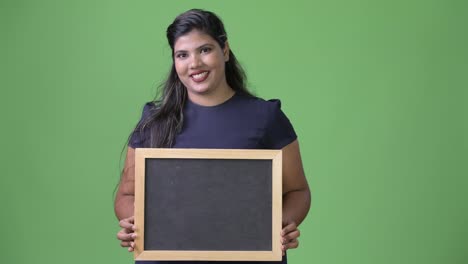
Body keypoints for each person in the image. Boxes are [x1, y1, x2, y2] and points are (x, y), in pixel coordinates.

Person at [114, 9, 311, 264]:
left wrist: (282, 226)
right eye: (182, 55)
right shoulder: (154, 120)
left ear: (225, 50)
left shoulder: (265, 117)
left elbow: (298, 190)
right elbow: (127, 195)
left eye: (205, 50)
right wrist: (134, 224)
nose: (194, 63)